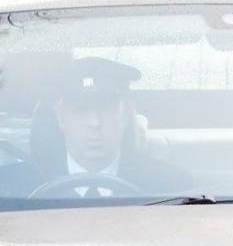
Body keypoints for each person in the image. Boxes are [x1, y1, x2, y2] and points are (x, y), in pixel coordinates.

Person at [0, 56, 192, 199]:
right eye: (81, 110)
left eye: (106, 110)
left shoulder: (172, 186)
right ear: (60, 118)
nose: (95, 123)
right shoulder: (12, 188)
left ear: (125, 116)